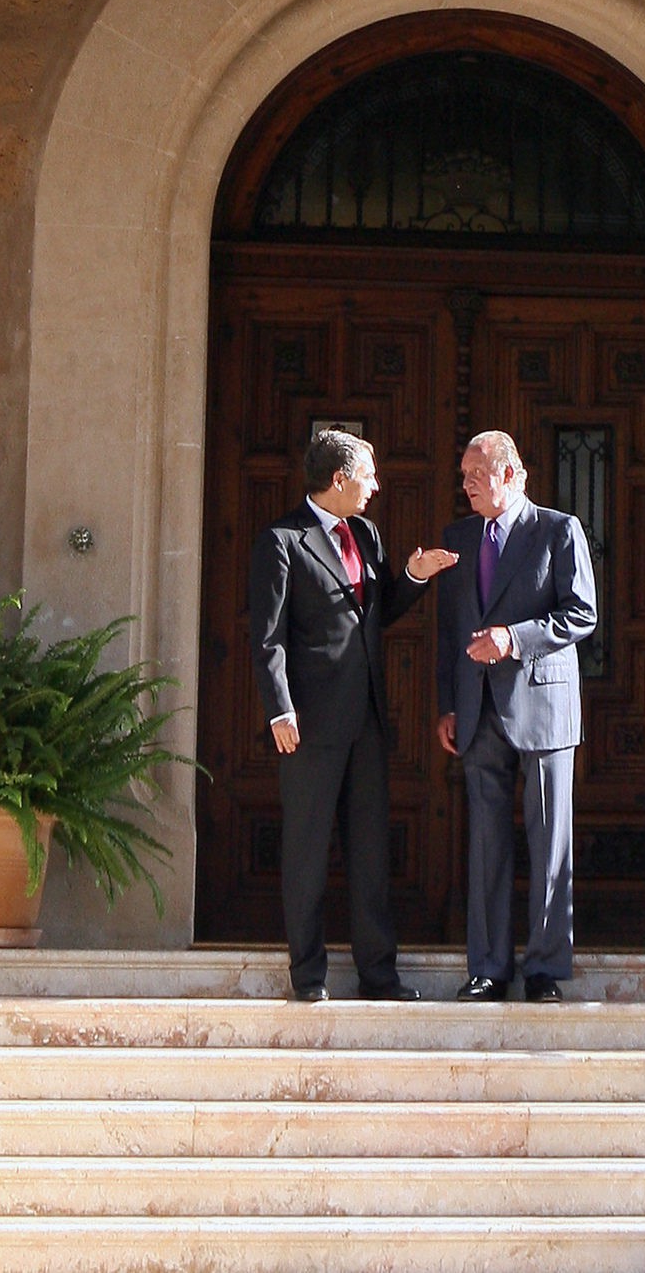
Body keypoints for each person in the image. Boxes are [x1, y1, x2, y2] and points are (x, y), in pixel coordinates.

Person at [250, 428, 458, 1003]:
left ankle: (379, 976)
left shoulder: (365, 533)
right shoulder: (282, 541)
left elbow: (378, 611)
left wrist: (413, 577)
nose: (376, 486)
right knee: (308, 852)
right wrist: (279, 709)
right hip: (310, 724)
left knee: (370, 853)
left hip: (367, 721)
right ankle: (309, 976)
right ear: (338, 480)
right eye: (367, 475)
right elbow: (268, 639)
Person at [436, 430, 597, 1003]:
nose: (467, 483)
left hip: (545, 706)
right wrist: (448, 703)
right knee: (485, 842)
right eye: (463, 475)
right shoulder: (457, 538)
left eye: (476, 473)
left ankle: (546, 969)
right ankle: (488, 967)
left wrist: (514, 638)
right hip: (478, 711)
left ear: (511, 474)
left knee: (551, 839)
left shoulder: (558, 529)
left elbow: (581, 614)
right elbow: (450, 628)